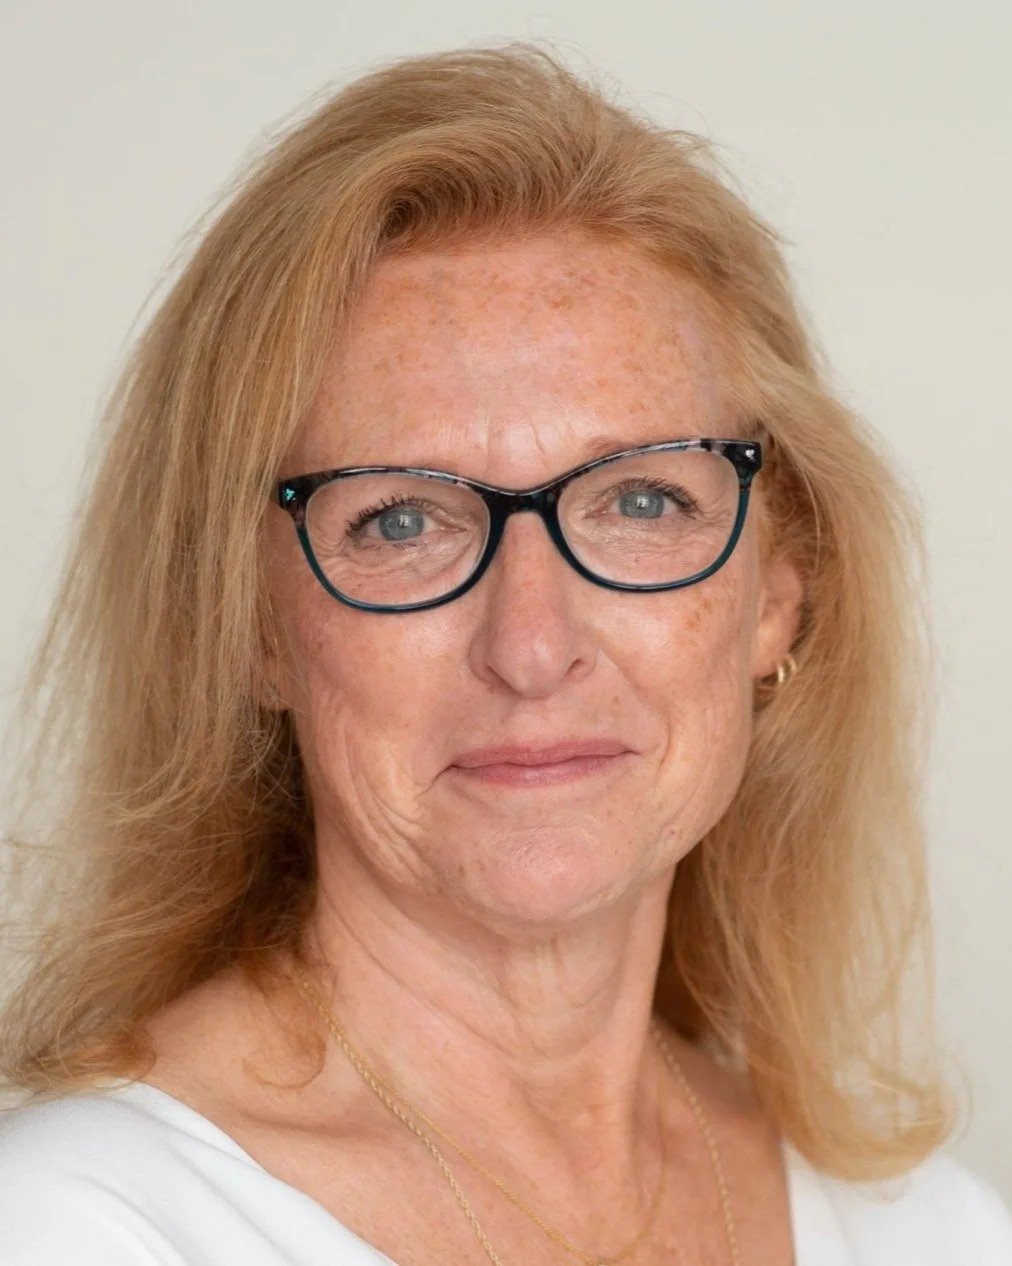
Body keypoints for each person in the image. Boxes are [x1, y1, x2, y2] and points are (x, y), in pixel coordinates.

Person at [0, 41, 1009, 1266]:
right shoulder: (79, 1225)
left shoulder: (922, 1228)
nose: (531, 648)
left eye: (640, 503)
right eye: (402, 521)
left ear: (773, 600)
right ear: (254, 625)